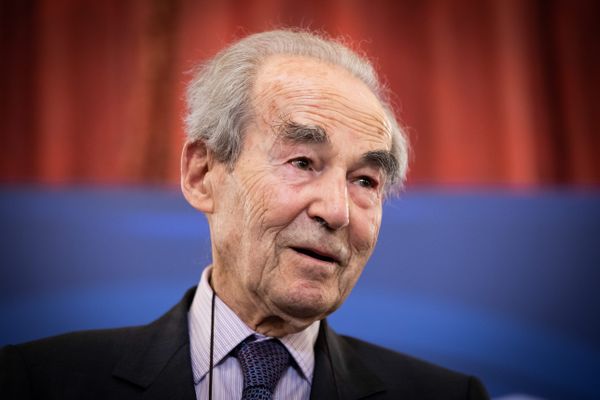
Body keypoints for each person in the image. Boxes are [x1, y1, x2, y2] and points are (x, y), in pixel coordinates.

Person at [0, 29, 489, 399]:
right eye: (302, 162)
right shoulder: (38, 381)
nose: (337, 211)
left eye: (364, 181)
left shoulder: (447, 395)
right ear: (202, 174)